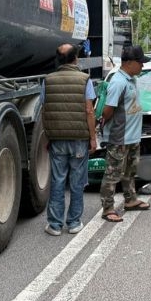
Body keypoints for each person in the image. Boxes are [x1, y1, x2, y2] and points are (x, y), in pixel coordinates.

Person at [41, 42, 99, 235]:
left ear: (58, 60)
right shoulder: (85, 79)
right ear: (76, 59)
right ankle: (74, 223)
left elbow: (44, 110)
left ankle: (55, 225)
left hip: (57, 138)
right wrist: (92, 137)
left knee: (57, 180)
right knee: (77, 181)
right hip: (79, 139)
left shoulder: (48, 80)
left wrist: (49, 135)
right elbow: (89, 110)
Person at [98, 44, 151, 222]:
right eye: (140, 62)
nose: (142, 66)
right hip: (119, 138)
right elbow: (108, 111)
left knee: (130, 171)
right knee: (112, 173)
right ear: (129, 63)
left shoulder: (132, 79)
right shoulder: (118, 82)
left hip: (132, 136)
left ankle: (130, 200)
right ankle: (107, 208)